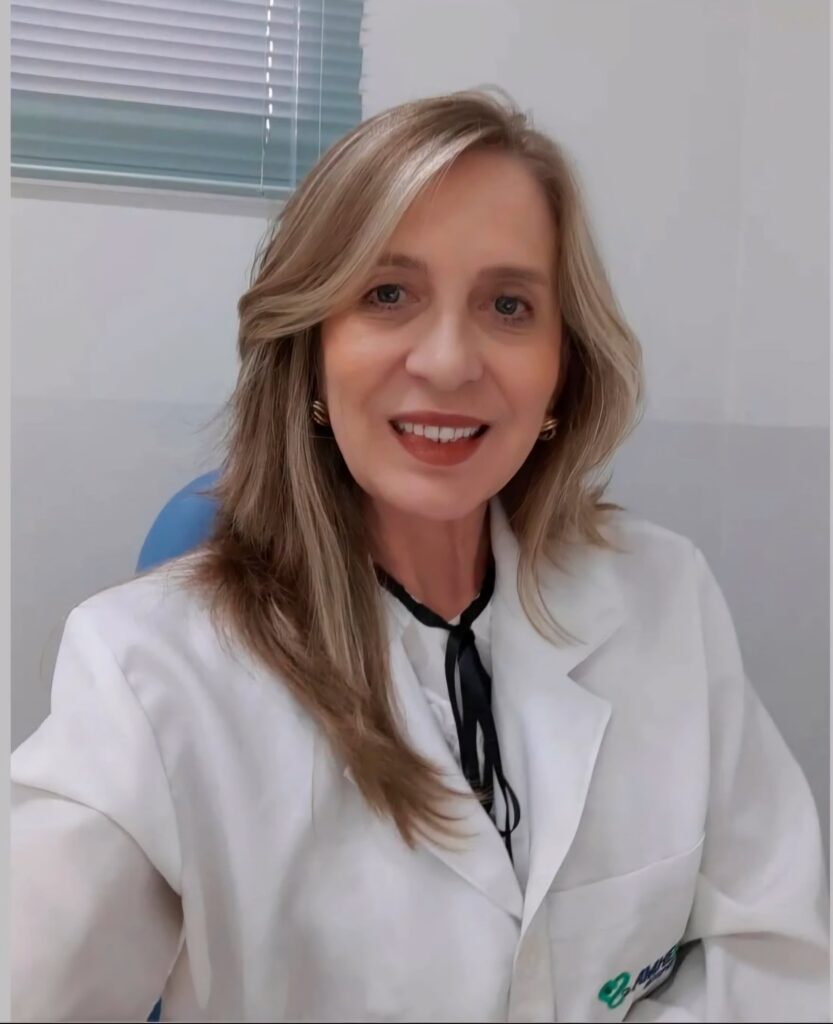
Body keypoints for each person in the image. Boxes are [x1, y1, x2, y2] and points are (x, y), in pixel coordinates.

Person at [11, 89, 828, 1023]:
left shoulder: (664, 593)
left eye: (508, 305)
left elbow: (773, 959)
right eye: (386, 294)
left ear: (561, 368)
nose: (447, 362)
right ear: (311, 351)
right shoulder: (146, 673)